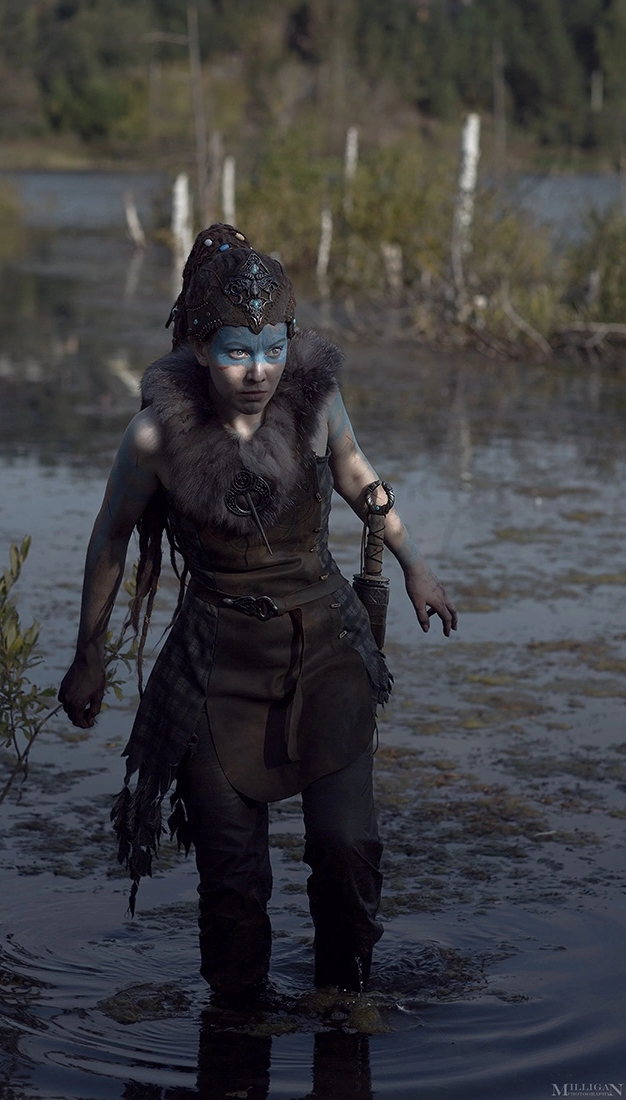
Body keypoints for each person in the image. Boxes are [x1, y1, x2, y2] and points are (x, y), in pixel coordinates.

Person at [59, 223, 457, 1000]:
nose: (257, 371)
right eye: (238, 351)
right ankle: (236, 1028)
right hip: (215, 663)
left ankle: (344, 1007)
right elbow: (110, 536)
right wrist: (89, 651)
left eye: (272, 349)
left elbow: (357, 475)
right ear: (200, 346)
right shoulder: (154, 436)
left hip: (324, 646)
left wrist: (416, 565)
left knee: (345, 849)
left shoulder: (315, 403)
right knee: (233, 882)